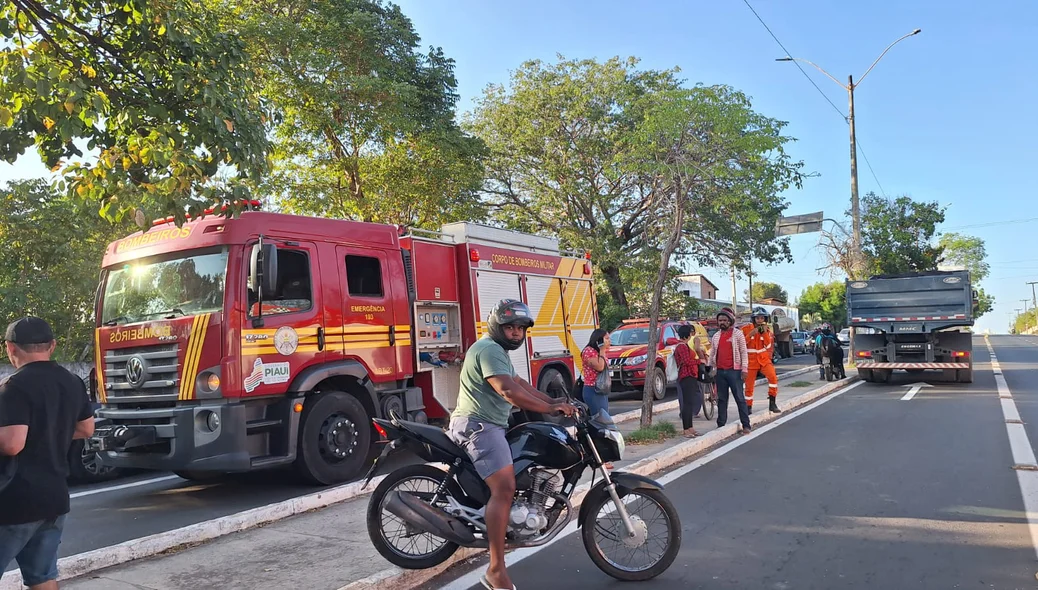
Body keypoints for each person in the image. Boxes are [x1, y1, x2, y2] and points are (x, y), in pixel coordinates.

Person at [447, 299, 577, 590]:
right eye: (510, 327)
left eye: (520, 328)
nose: (516, 333)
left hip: (489, 425)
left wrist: (553, 402)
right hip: (478, 426)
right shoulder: (489, 349)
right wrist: (550, 410)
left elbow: (521, 384)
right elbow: (507, 391)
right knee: (504, 488)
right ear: (497, 326)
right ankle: (495, 570)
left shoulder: (499, 352)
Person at [1, 317, 95, 590]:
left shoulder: (13, 387)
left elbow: (12, 444)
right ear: (52, 346)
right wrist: (49, 433)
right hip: (54, 500)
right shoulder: (72, 381)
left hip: (13, 502)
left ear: (11, 348)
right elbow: (86, 429)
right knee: (42, 578)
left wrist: (31, 435)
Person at [707, 307, 752, 434]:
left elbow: (743, 351)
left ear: (730, 321)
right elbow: (713, 353)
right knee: (722, 399)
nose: (722, 322)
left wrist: (744, 369)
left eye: (725, 320)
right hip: (720, 372)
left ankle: (746, 425)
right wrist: (710, 366)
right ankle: (721, 424)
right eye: (720, 320)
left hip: (735, 371)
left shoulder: (738, 334)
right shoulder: (716, 336)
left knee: (739, 398)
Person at [741, 308, 782, 414]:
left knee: (773, 378)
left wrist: (764, 333)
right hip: (750, 361)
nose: (760, 320)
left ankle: (772, 403)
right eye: (758, 318)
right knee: (749, 386)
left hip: (763, 359)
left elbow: (768, 345)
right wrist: (751, 334)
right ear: (753, 319)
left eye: (762, 318)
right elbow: (741, 344)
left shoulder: (767, 330)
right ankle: (748, 407)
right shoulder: (745, 329)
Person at [673, 324, 702, 437]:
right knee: (687, 404)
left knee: (690, 403)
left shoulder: (684, 346)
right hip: (686, 376)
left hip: (690, 376)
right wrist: (700, 361)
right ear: (687, 334)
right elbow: (686, 361)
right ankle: (686, 429)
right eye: (690, 333)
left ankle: (690, 428)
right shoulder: (681, 346)